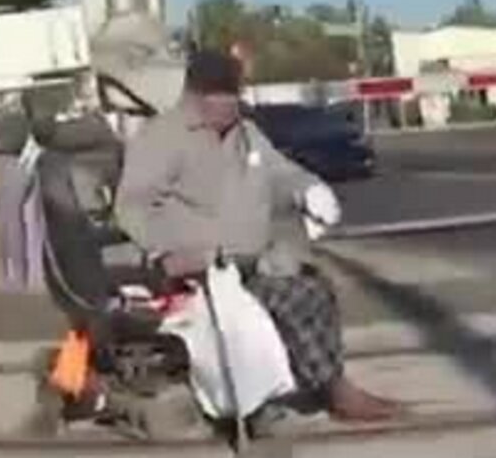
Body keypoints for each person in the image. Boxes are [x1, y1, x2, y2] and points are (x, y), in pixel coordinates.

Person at [114, 50, 403, 422]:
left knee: (313, 286)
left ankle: (324, 383)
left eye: (235, 96)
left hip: (248, 262)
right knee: (296, 297)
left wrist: (309, 189)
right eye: (223, 97)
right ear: (197, 97)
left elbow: (281, 172)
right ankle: (328, 391)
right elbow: (132, 207)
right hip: (197, 267)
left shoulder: (246, 134)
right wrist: (170, 249)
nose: (232, 105)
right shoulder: (163, 139)